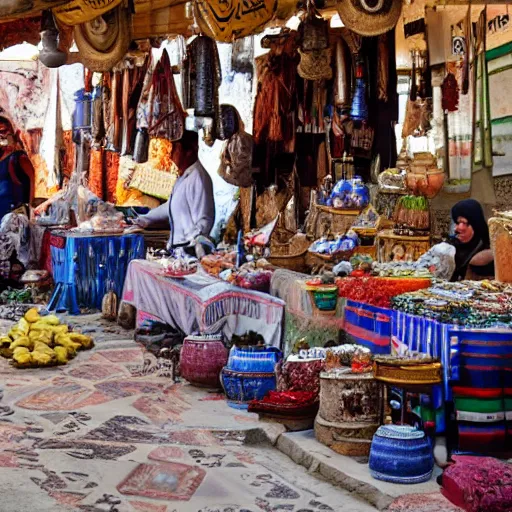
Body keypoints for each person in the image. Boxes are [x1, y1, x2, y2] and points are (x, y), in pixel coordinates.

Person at [134, 130, 215, 252]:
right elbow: (170, 206)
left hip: (189, 251)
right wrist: (144, 219)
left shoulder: (199, 178)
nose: (171, 155)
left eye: (175, 149)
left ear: (189, 152)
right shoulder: (183, 177)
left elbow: (204, 220)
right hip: (178, 249)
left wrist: (193, 245)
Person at [450, 198, 494, 281]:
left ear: (475, 225)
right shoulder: (451, 247)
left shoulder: (486, 247)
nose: (459, 228)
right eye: (457, 223)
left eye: (464, 223)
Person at [0, 116, 35, 220]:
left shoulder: (18, 158)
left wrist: (30, 213)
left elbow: (33, 184)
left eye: (3, 131)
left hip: (12, 221)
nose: (2, 136)